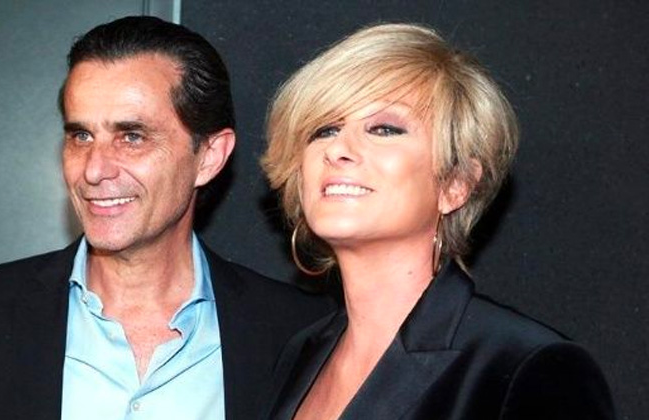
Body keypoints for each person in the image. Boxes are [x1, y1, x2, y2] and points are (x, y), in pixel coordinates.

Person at [0, 16, 330, 420]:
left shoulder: (295, 332)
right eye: (81, 135)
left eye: (132, 137)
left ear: (209, 156)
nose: (93, 169)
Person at [261, 23, 615, 420]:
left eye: (384, 129)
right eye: (325, 129)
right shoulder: (300, 354)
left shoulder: (526, 367)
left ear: (455, 185)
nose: (339, 149)